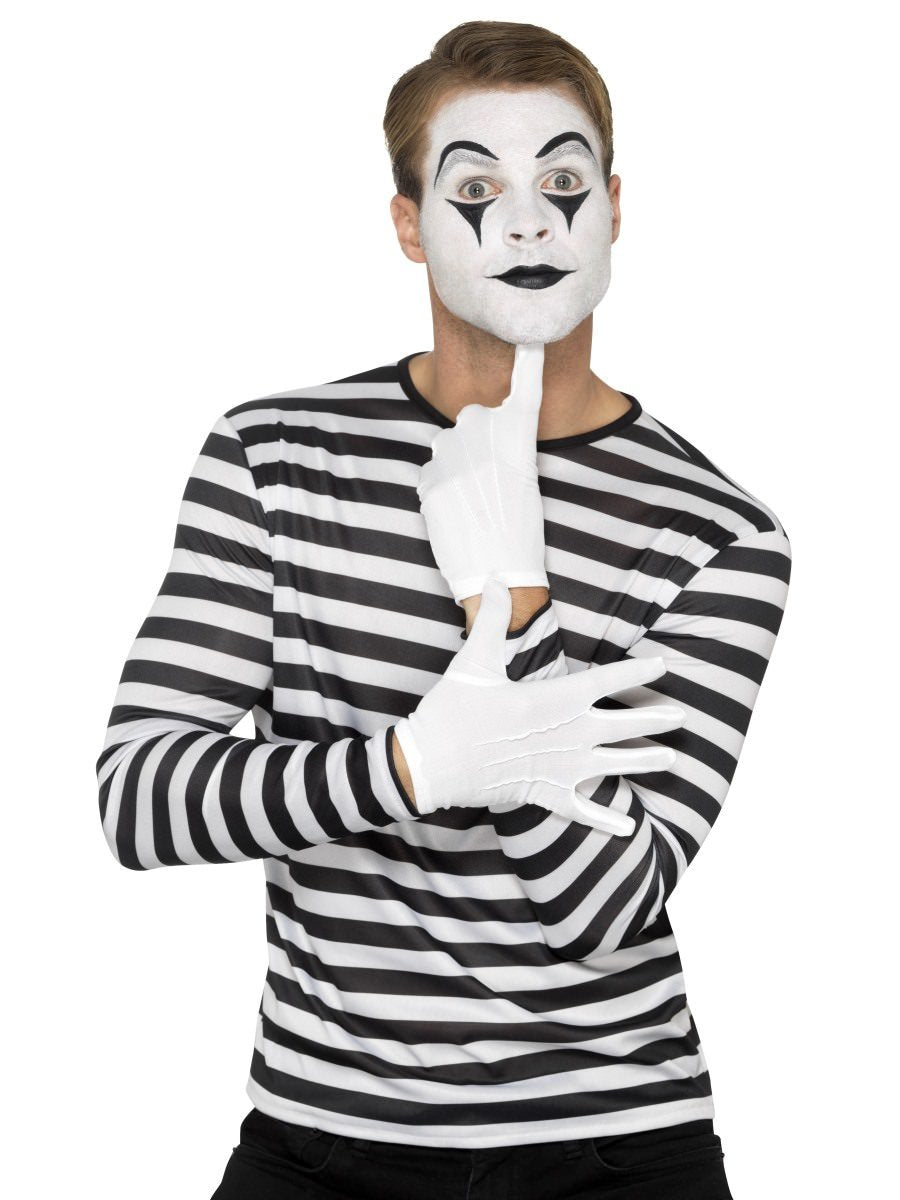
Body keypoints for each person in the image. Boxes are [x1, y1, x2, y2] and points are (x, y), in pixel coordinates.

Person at [96, 19, 791, 1200]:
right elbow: (140, 800)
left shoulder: (719, 530)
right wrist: (412, 766)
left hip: (616, 1146)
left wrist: (514, 598)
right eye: (476, 189)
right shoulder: (276, 457)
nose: (527, 222)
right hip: (320, 1137)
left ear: (615, 208)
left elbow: (605, 905)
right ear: (409, 225)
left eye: (563, 183)